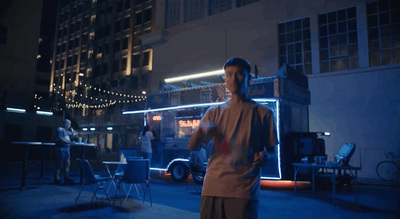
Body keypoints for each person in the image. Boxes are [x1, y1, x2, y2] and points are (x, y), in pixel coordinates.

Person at [188, 57, 278, 219]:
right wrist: (201, 130)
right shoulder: (214, 112)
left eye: (239, 74)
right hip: (212, 188)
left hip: (243, 191)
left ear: (249, 79)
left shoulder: (263, 114)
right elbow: (193, 147)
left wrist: (266, 156)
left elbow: (272, 151)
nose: (233, 79)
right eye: (228, 75)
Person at [54, 119, 77, 185]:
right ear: (64, 124)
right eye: (68, 124)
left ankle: (66, 177)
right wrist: (70, 142)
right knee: (59, 164)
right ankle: (56, 179)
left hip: (67, 149)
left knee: (67, 164)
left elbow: (74, 135)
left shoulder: (67, 131)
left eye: (70, 124)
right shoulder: (60, 129)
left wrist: (73, 131)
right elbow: (60, 138)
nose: (69, 125)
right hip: (60, 149)